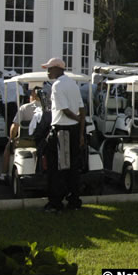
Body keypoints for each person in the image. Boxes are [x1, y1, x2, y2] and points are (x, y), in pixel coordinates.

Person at [41, 58, 85, 213]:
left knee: (56, 168)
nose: (47, 72)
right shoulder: (72, 84)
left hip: (62, 130)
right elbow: (82, 108)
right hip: (73, 131)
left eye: (49, 69)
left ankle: (55, 202)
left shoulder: (57, 86)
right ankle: (74, 201)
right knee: (72, 167)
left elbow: (65, 110)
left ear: (57, 69)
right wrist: (80, 132)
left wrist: (77, 119)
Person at [0, 87, 40, 185]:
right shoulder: (49, 107)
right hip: (42, 141)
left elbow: (15, 126)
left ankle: (3, 174)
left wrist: (11, 138)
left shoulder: (24, 108)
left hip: (27, 141)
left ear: (33, 95)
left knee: (8, 147)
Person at [0, 70, 24, 137]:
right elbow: (21, 97)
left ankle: (8, 135)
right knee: (14, 122)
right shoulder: (18, 86)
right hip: (14, 106)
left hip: (4, 106)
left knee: (7, 121)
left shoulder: (3, 83)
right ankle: (14, 135)